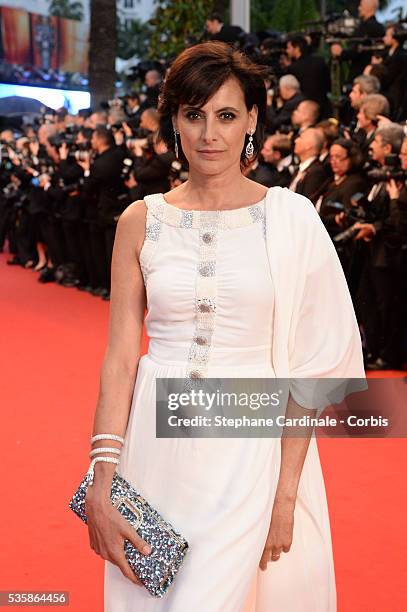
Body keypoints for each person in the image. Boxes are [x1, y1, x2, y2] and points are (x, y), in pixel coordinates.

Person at [83, 41, 364, 611]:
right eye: (194, 114)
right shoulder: (141, 221)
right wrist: (102, 477)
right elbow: (119, 357)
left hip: (253, 454)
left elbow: (312, 366)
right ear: (176, 122)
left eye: (227, 115)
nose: (210, 133)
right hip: (156, 454)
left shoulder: (290, 219)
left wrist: (286, 495)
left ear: (252, 120)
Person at [330, 0, 385, 82]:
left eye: (361, 6)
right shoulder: (380, 27)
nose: (359, 8)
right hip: (375, 76)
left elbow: (355, 50)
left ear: (368, 8)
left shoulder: (365, 27)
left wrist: (340, 53)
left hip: (360, 75)